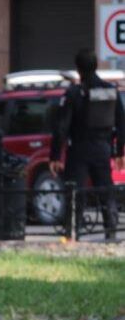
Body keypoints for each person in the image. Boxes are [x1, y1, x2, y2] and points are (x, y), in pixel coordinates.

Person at [49, 48, 125, 240]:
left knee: (75, 192)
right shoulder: (110, 90)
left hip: (80, 150)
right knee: (105, 190)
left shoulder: (74, 93)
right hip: (103, 149)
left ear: (78, 69)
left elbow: (61, 127)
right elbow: (121, 122)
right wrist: (119, 152)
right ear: (96, 65)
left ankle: (73, 232)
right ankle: (111, 232)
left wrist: (55, 156)